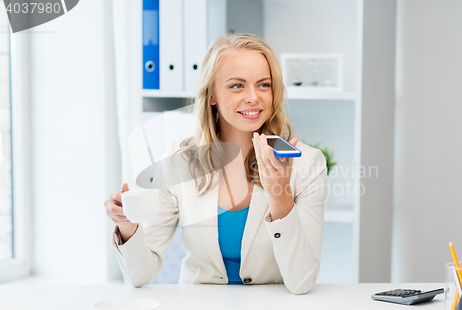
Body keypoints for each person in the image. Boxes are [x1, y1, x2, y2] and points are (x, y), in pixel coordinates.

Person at [104, 33, 328, 295]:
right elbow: (140, 275)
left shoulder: (308, 163)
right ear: (212, 95)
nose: (254, 97)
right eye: (237, 86)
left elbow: (301, 282)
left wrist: (281, 197)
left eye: (264, 85)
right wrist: (128, 227)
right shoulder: (179, 161)